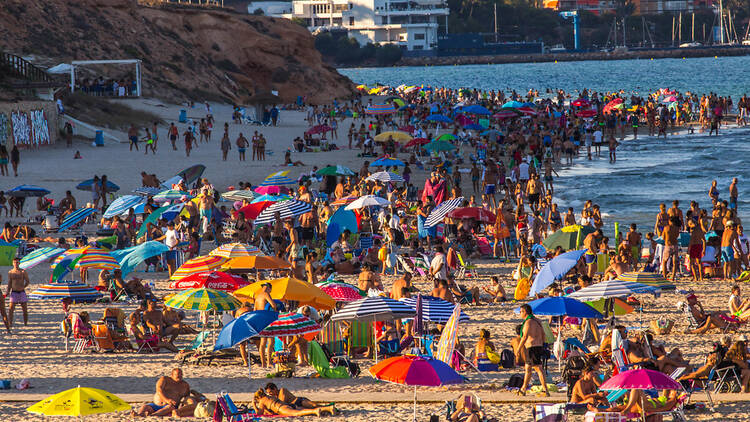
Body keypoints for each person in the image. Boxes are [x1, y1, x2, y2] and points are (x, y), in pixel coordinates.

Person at [132, 368, 198, 417]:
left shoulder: (185, 385)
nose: (180, 376)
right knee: (145, 406)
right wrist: (167, 400)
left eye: (181, 374)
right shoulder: (164, 380)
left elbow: (186, 397)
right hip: (156, 405)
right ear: (172, 375)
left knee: (170, 407)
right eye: (177, 375)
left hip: (169, 406)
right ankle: (139, 415)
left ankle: (153, 415)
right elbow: (159, 390)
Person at [515, 304, 549, 396]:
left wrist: (518, 349)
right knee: (528, 369)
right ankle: (523, 389)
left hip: (531, 348)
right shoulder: (537, 321)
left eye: (521, 312)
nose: (520, 314)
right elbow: (543, 334)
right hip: (538, 346)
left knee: (538, 369)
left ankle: (545, 390)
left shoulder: (528, 322)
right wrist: (542, 344)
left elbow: (525, 336)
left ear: (525, 312)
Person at [253, 389, 334, 417]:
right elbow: (269, 410)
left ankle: (315, 411)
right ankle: (328, 408)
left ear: (258, 397)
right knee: (305, 410)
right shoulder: (270, 397)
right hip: (287, 405)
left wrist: (254, 405)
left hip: (282, 408)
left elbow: (259, 413)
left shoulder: (262, 401)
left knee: (298, 413)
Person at [255, 282, 277, 368]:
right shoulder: (266, 294)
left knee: (263, 342)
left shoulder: (257, 297)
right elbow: (273, 305)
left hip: (259, 319)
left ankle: (263, 363)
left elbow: (255, 310)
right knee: (271, 341)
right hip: (267, 318)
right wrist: (275, 313)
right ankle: (269, 362)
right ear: (269, 288)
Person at [264, 383, 329, 411]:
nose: (270, 394)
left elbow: (282, 403)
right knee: (312, 410)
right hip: (295, 406)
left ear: (275, 388)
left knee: (314, 405)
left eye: (270, 392)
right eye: (268, 393)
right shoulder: (275, 397)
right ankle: (327, 409)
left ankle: (328, 407)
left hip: (299, 401)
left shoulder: (282, 390)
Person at [6, 257, 29, 330]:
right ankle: (10, 323)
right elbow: (9, 283)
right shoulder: (10, 272)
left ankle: (25, 323)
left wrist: (23, 286)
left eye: (17, 262)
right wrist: (7, 291)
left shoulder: (23, 271)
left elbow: (27, 281)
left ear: (19, 263)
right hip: (14, 292)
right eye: (15, 262)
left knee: (25, 309)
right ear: (13, 263)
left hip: (21, 292)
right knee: (11, 309)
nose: (16, 264)